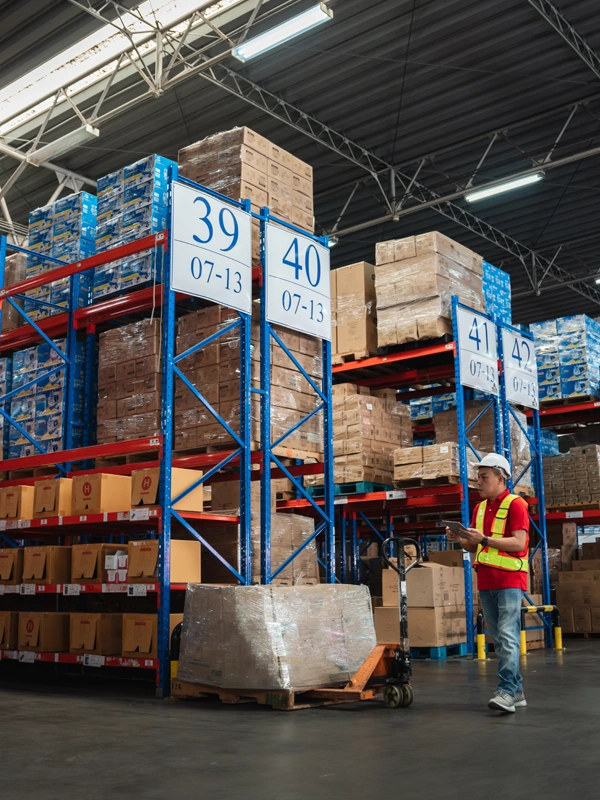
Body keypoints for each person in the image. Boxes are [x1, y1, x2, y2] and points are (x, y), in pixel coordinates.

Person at [446, 453, 529, 714]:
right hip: (486, 580)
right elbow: (472, 544)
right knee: (500, 638)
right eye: (477, 477)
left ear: (500, 478)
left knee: (506, 635)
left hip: (509, 581)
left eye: (483, 477)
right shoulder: (479, 508)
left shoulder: (516, 504)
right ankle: (516, 691)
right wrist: (459, 537)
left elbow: (519, 543)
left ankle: (505, 691)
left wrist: (484, 540)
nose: (478, 482)